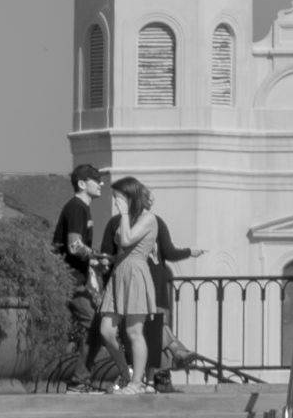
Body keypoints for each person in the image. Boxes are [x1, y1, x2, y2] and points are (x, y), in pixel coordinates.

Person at [102, 188, 200, 393]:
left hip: (129, 283)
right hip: (153, 283)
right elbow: (169, 252)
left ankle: (153, 376)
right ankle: (167, 363)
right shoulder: (155, 221)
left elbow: (107, 255)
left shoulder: (117, 222)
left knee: (143, 332)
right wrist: (190, 252)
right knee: (152, 331)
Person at [96, 177, 168, 395]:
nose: (115, 202)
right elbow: (121, 246)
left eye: (118, 197)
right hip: (119, 272)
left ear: (129, 197)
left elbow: (127, 240)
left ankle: (137, 383)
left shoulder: (149, 219)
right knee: (107, 330)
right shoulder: (126, 219)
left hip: (136, 273)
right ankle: (126, 372)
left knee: (134, 331)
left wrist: (124, 214)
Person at [50, 164, 105, 391]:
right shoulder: (76, 208)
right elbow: (74, 246)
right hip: (69, 279)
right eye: (96, 179)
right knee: (96, 326)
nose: (101, 183)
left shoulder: (82, 208)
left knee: (96, 327)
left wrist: (94, 260)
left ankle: (81, 380)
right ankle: (79, 381)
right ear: (82, 184)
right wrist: (98, 256)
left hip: (74, 279)